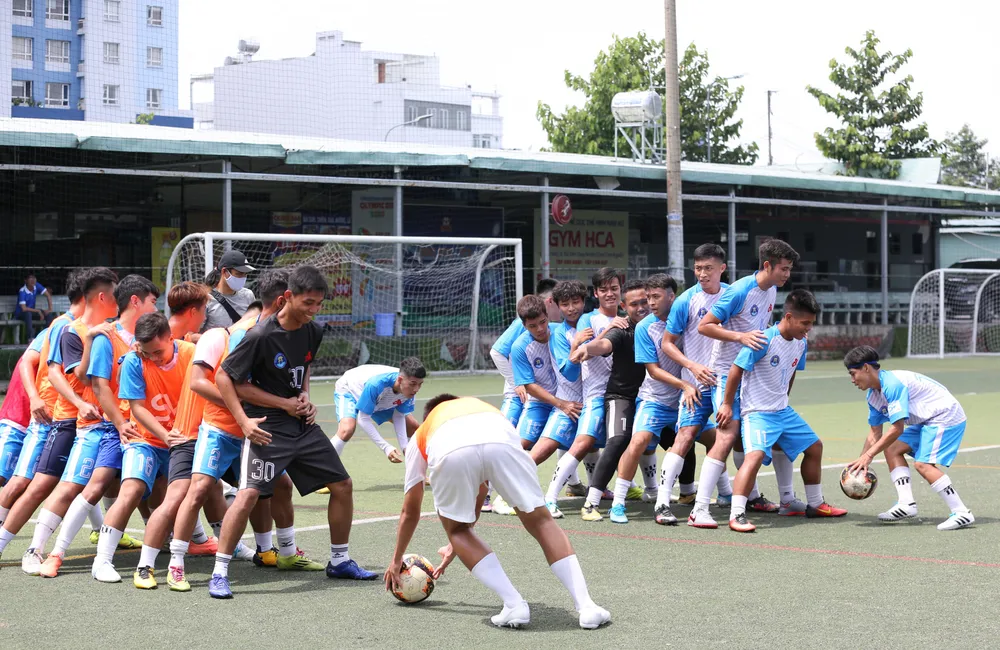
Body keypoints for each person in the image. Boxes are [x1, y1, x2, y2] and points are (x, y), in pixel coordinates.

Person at [211, 265, 377, 599]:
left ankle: (340, 561)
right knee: (248, 495)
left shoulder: (313, 330)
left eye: (319, 304)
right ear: (288, 297)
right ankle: (220, 572)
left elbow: (304, 365)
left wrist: (304, 395)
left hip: (302, 426)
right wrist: (245, 421)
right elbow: (226, 379)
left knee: (342, 485)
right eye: (308, 303)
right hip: (267, 429)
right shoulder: (260, 335)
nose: (314, 310)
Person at [385, 394, 610, 630]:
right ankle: (587, 607)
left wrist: (399, 558)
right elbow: (482, 485)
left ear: (428, 415)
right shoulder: (480, 408)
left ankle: (514, 604)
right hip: (502, 438)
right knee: (542, 521)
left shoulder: (424, 432)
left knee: (457, 531)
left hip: (452, 452)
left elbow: (410, 510)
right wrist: (462, 537)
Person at [33, 275, 160, 577]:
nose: (157, 308)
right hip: (110, 427)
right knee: (91, 485)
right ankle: (51, 552)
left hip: (141, 427)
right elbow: (97, 385)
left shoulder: (146, 338)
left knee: (152, 487)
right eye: (154, 302)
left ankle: (185, 541)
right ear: (135, 301)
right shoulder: (104, 335)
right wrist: (120, 423)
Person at [0, 268, 120, 570]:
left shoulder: (106, 328)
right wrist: (44, 399)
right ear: (98, 296)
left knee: (85, 482)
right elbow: (50, 370)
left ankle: (102, 530)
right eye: (114, 294)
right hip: (59, 418)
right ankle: (27, 547)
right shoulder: (64, 326)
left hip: (87, 420)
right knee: (33, 483)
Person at [722, 290, 847, 533]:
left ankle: (815, 504)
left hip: (782, 410)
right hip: (757, 412)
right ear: (788, 317)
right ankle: (737, 514)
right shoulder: (762, 339)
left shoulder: (801, 342)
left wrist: (784, 399)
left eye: (811, 323)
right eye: (805, 323)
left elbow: (791, 372)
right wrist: (727, 404)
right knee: (754, 457)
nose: (809, 329)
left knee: (814, 447)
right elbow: (736, 370)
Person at [92, 312, 197, 584]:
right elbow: (137, 408)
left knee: (205, 488)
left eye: (158, 352)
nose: (153, 358)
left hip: (182, 439)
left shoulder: (191, 354)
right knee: (132, 489)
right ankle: (102, 560)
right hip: (146, 439)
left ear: (170, 338)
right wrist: (166, 436)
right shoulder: (134, 360)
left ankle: (223, 545)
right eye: (147, 352)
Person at [698, 238, 800, 516]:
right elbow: (705, 326)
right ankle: (700, 508)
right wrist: (739, 336)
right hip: (725, 373)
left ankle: (754, 498)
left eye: (789, 269)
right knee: (726, 435)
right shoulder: (740, 290)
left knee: (748, 439)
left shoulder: (772, 289)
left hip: (750, 376)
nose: (787, 274)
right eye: (784, 268)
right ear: (767, 265)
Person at [843, 346, 974, 530]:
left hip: (945, 415)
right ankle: (906, 504)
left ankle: (961, 512)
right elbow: (875, 433)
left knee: (923, 464)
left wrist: (869, 455)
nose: (852, 380)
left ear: (866, 368)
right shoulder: (873, 396)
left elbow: (897, 428)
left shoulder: (892, 385)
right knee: (892, 449)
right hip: (927, 419)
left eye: (853, 374)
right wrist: (861, 464)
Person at [608, 274, 699, 525]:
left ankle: (727, 494)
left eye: (655, 296)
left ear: (672, 296)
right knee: (638, 441)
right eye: (648, 297)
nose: (650, 302)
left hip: (685, 399)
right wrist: (685, 384)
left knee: (718, 438)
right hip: (655, 399)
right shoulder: (645, 327)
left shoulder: (687, 318)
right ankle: (618, 503)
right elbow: (653, 370)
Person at [0, 270, 84, 533]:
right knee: (17, 480)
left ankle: (98, 529)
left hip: (59, 416)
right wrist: (35, 399)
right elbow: (27, 361)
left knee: (74, 479)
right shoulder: (60, 326)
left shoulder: (84, 329)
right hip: (29, 417)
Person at [660, 243, 735, 528]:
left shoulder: (734, 295)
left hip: (727, 382)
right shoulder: (686, 300)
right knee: (685, 436)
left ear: (722, 269)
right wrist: (692, 367)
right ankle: (662, 503)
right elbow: (667, 343)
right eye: (698, 268)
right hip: (696, 384)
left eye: (708, 268)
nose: (702, 274)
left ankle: (743, 497)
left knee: (734, 437)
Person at [541, 269, 622, 513]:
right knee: (575, 443)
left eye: (575, 302)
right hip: (582, 398)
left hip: (620, 395)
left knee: (625, 442)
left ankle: (619, 489)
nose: (571, 308)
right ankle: (549, 497)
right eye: (565, 304)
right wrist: (578, 343)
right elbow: (576, 364)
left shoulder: (621, 318)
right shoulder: (583, 324)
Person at [573, 278, 651, 522]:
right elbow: (605, 345)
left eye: (645, 301)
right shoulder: (622, 329)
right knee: (617, 440)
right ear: (624, 307)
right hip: (622, 396)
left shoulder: (662, 325)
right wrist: (587, 348)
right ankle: (591, 503)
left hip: (654, 398)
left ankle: (690, 493)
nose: (641, 307)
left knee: (687, 434)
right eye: (634, 304)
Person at [489, 278, 559, 427]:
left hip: (543, 394)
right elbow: (496, 352)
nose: (562, 309)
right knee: (506, 431)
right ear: (550, 301)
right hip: (520, 394)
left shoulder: (553, 327)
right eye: (560, 303)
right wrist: (516, 384)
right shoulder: (523, 325)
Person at [331, 358, 426, 462]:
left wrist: (405, 447)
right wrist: (386, 447)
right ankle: (325, 464)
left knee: (412, 426)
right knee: (347, 429)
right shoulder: (376, 384)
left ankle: (413, 469)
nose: (416, 389)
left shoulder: (408, 388)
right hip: (350, 389)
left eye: (420, 384)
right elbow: (363, 419)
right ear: (399, 380)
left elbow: (399, 415)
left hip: (381, 397)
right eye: (413, 384)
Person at [202, 250, 257, 331]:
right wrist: (219, 336)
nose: (243, 277)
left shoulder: (248, 295)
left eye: (245, 274)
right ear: (224, 271)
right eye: (239, 274)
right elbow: (191, 335)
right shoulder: (206, 299)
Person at [15, 273, 55, 343]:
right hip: (21, 314)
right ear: (26, 280)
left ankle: (48, 337)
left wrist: (50, 309)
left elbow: (48, 295)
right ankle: (30, 338)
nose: (33, 280)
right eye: (30, 278)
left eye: (34, 278)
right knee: (28, 314)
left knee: (48, 314)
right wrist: (38, 311)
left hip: (32, 312)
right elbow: (24, 308)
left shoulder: (37, 286)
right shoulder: (22, 291)